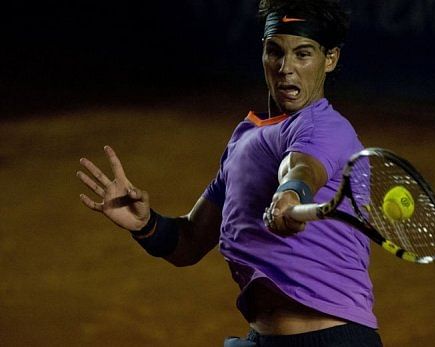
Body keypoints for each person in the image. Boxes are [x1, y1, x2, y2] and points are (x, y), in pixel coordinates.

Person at [77, 0, 383, 346]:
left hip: (331, 341)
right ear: (263, 53)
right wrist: (146, 225)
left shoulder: (325, 127)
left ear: (331, 59)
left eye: (303, 54)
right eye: (275, 52)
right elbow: (190, 241)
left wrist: (291, 194)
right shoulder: (245, 139)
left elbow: (301, 167)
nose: (285, 68)